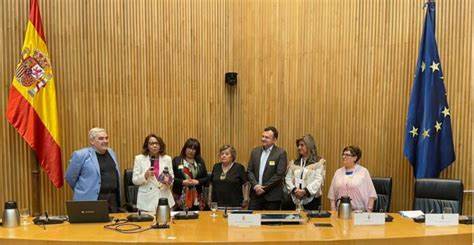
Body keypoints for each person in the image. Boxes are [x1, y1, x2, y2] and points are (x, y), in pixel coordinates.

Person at [65, 128, 122, 212]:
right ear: (92, 141)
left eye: (106, 138)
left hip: (112, 201)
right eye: (101, 138)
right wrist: (84, 190)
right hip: (92, 200)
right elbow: (70, 178)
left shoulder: (111, 152)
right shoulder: (81, 155)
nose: (105, 141)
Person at [247, 126, 288, 210]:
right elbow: (249, 171)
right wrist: (255, 186)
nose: (263, 139)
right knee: (252, 221)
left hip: (272, 197)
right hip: (255, 194)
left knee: (271, 222)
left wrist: (264, 188)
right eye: (263, 136)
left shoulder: (281, 153)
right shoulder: (255, 151)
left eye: (267, 137)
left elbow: (279, 174)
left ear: (275, 140)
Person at [328, 145, 377, 212]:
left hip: (359, 212)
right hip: (341, 211)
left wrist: (369, 211)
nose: (343, 157)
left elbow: (372, 194)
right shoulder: (338, 172)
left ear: (355, 158)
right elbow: (332, 194)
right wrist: (333, 210)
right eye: (343, 154)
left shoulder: (363, 172)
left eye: (347, 155)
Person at [132, 134, 175, 211]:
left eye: (157, 143)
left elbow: (172, 178)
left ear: (160, 145)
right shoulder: (139, 159)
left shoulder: (167, 159)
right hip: (146, 201)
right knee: (146, 223)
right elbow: (135, 180)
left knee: (166, 222)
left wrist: (168, 180)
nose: (154, 145)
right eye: (151, 143)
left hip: (164, 198)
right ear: (147, 145)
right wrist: (145, 175)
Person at [284, 134, 326, 210]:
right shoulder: (294, 163)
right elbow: (288, 178)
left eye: (302, 145)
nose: (299, 147)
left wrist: (305, 191)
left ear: (309, 146)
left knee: (310, 222)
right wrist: (294, 190)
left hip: (312, 202)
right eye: (298, 145)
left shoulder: (318, 162)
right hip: (294, 200)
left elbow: (318, 180)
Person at [172, 138, 209, 210]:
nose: (191, 151)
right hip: (180, 198)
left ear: (197, 151)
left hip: (197, 198)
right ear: (185, 148)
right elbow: (171, 178)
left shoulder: (200, 162)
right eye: (189, 148)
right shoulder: (177, 160)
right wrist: (182, 182)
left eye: (194, 149)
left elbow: (206, 178)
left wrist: (198, 181)